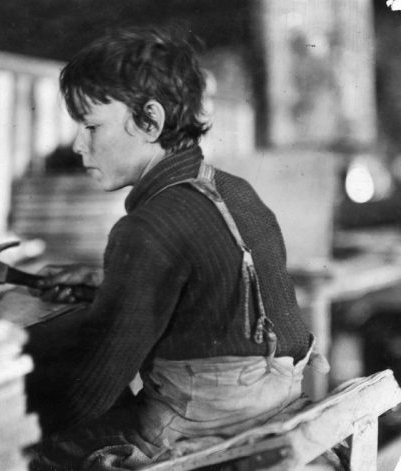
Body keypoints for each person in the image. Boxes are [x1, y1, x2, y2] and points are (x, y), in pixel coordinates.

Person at [30, 26, 339, 471]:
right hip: (272, 410)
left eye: (91, 126)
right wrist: (107, 282)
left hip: (196, 434)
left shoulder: (148, 227)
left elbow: (90, 390)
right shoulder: (234, 190)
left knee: (35, 445)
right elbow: (214, 290)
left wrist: (14, 417)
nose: (79, 145)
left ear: (150, 121)